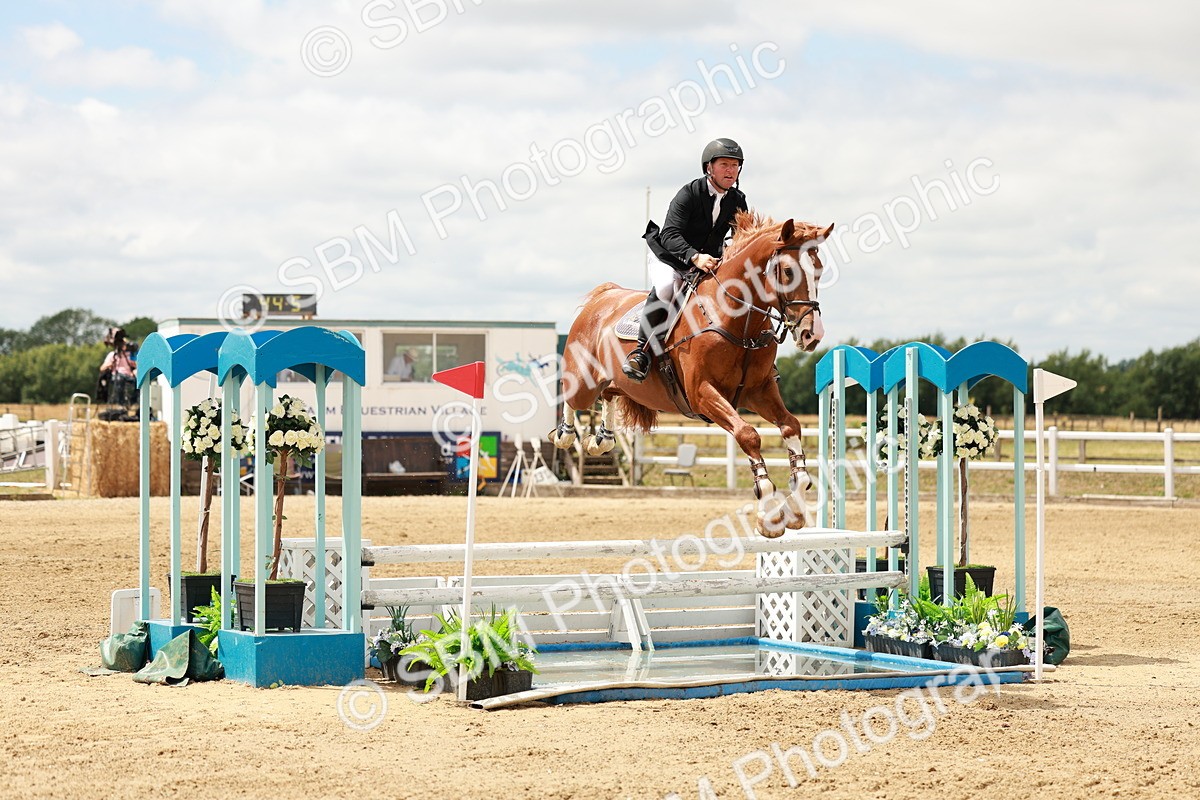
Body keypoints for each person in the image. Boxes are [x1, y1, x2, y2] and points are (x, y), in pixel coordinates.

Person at [623, 137, 749, 382]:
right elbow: (670, 234)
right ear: (708, 168)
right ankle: (641, 351)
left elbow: (741, 236)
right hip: (671, 257)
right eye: (724, 164)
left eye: (735, 165)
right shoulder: (689, 193)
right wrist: (694, 257)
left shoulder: (738, 200)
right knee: (668, 287)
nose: (730, 170)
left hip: (710, 260)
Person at [99, 327, 137, 406]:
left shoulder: (130, 355)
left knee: (139, 381)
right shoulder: (112, 355)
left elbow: (136, 365)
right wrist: (110, 364)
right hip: (117, 376)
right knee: (120, 378)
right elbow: (102, 368)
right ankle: (121, 404)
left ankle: (132, 402)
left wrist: (135, 370)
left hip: (129, 376)